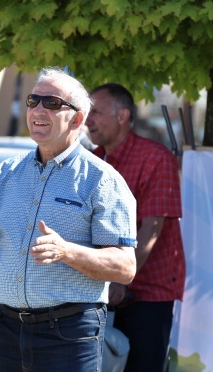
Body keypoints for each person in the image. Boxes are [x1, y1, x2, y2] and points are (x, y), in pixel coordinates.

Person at [0, 67, 138, 371]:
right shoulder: (7, 172)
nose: (38, 109)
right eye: (33, 101)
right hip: (2, 328)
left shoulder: (103, 180)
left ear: (77, 119)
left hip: (68, 334)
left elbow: (126, 268)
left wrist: (66, 251)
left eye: (51, 103)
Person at [86, 83, 185, 372]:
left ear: (122, 116)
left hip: (146, 295)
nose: (88, 119)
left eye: (95, 112)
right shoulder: (91, 160)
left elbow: (152, 228)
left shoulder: (156, 157)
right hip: (99, 292)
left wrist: (121, 279)